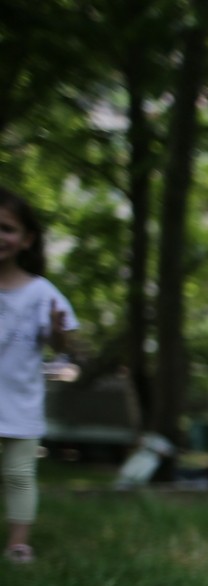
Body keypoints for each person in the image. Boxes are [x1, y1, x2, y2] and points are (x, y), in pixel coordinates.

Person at [0, 188, 80, 564]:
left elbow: (61, 345)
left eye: (7, 228)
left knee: (18, 474)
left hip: (18, 400)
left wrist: (58, 330)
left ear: (26, 239)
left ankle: (18, 542)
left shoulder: (40, 292)